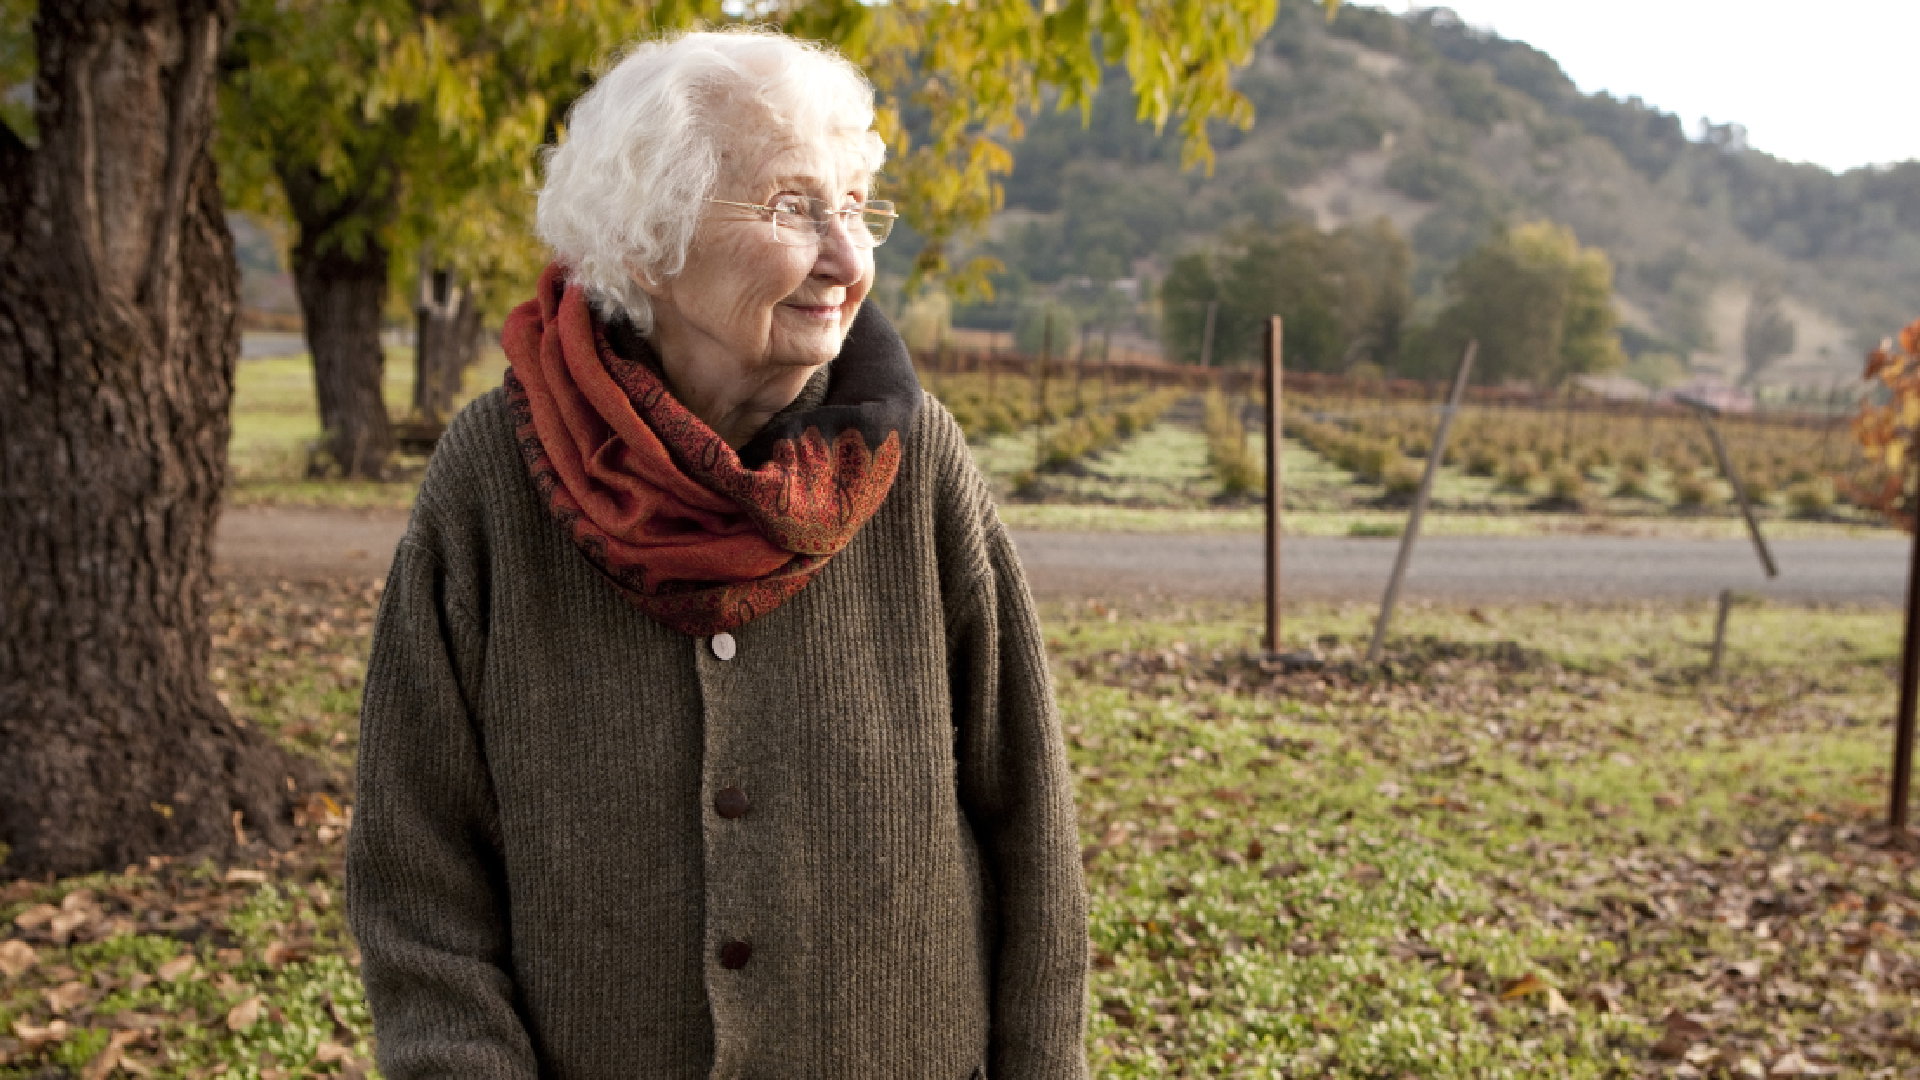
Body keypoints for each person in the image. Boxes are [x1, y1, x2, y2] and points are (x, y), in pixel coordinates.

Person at [345, 27, 1089, 1080]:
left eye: (857, 208)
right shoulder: (493, 478)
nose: (848, 258)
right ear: (649, 238)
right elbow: (416, 877)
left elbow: (1031, 830)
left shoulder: (915, 466)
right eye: (794, 208)